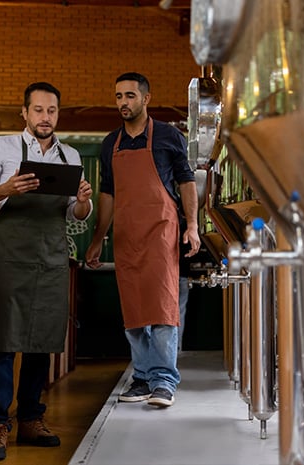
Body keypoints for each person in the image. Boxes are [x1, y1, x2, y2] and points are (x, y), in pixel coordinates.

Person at [0, 81, 93, 463]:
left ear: (58, 114)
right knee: (4, 340)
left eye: (51, 111)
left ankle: (31, 419)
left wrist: (84, 202)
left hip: (52, 258)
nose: (45, 117)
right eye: (38, 110)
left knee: (43, 341)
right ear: (24, 112)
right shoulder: (1, 147)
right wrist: (8, 188)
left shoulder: (70, 155)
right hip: (10, 257)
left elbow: (76, 217)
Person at [86, 72, 200, 408]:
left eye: (130, 96)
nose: (123, 102)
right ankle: (142, 377)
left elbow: (186, 183)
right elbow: (107, 193)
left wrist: (191, 225)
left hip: (162, 233)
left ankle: (164, 381)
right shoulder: (111, 143)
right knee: (133, 310)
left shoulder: (167, 136)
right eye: (119, 96)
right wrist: (97, 239)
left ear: (146, 99)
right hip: (126, 235)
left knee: (163, 307)